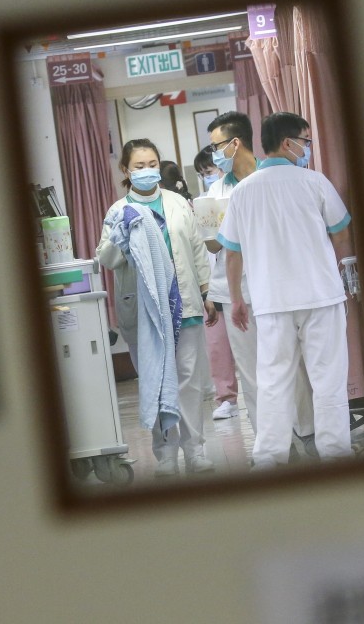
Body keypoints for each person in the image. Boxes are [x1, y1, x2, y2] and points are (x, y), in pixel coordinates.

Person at [217, 112, 353, 468]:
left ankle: (269, 458)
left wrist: (235, 300)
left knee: (273, 383)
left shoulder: (242, 192)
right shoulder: (314, 182)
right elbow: (340, 232)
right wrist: (347, 271)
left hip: (271, 302)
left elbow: (232, 253)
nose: (307, 149)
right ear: (287, 142)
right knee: (329, 380)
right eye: (305, 142)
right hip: (321, 296)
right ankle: (336, 453)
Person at [95, 139, 217, 477]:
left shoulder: (178, 203)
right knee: (154, 380)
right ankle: (165, 456)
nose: (147, 171)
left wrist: (207, 293)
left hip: (185, 305)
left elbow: (195, 251)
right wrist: (118, 238)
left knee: (188, 381)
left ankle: (195, 451)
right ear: (126, 170)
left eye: (152, 164)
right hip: (145, 312)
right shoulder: (118, 211)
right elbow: (106, 258)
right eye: (139, 166)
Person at [203, 112, 317, 451]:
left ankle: (307, 435)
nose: (213, 154)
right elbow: (215, 245)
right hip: (234, 291)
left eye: (216, 146)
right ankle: (269, 447)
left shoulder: (278, 177)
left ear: (235, 143)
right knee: (253, 376)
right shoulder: (215, 191)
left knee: (293, 368)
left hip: (279, 288)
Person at [193, 149, 240, 420]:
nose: (207, 177)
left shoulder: (239, 192)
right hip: (215, 286)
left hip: (240, 281)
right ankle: (226, 398)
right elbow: (204, 251)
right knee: (217, 346)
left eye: (209, 171)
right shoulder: (202, 204)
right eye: (203, 173)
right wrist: (207, 291)